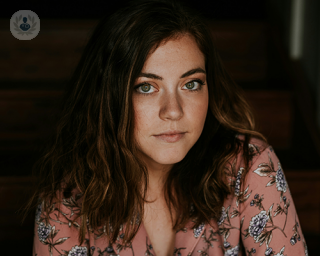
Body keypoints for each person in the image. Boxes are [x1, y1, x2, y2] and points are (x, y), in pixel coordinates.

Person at [27, 0, 308, 255]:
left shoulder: (248, 165)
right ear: (107, 96)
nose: (173, 111)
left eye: (191, 84)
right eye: (146, 87)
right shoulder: (68, 201)